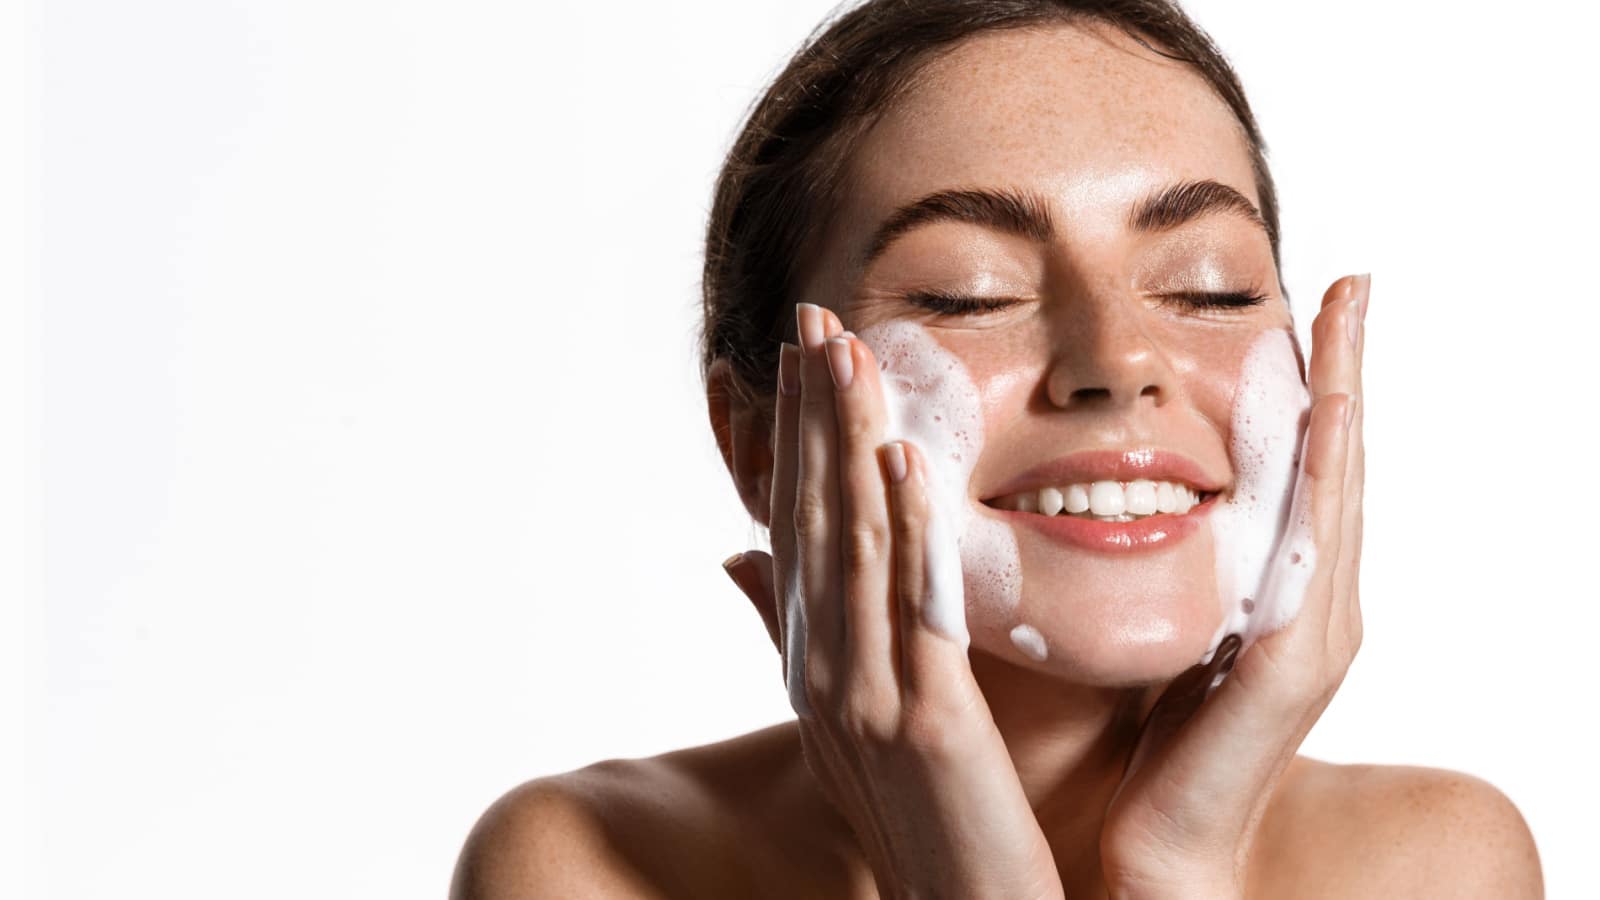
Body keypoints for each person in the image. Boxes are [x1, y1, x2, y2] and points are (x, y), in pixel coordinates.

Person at [451, 1, 1543, 896]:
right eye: (966, 294)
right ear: (758, 443)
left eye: (1207, 285)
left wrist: (1176, 868)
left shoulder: (1436, 863)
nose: (1117, 359)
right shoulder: (589, 867)